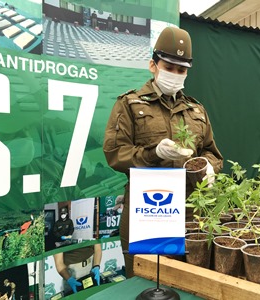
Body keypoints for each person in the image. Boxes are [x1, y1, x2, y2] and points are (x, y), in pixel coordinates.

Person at [103, 26, 223, 278]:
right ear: (153, 65)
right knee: (144, 283)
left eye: (182, 70)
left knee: (189, 282)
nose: (175, 74)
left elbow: (212, 152)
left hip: (191, 214)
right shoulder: (130, 104)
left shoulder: (196, 110)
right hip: (147, 211)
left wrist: (209, 166)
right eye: (169, 67)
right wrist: (154, 153)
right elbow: (115, 153)